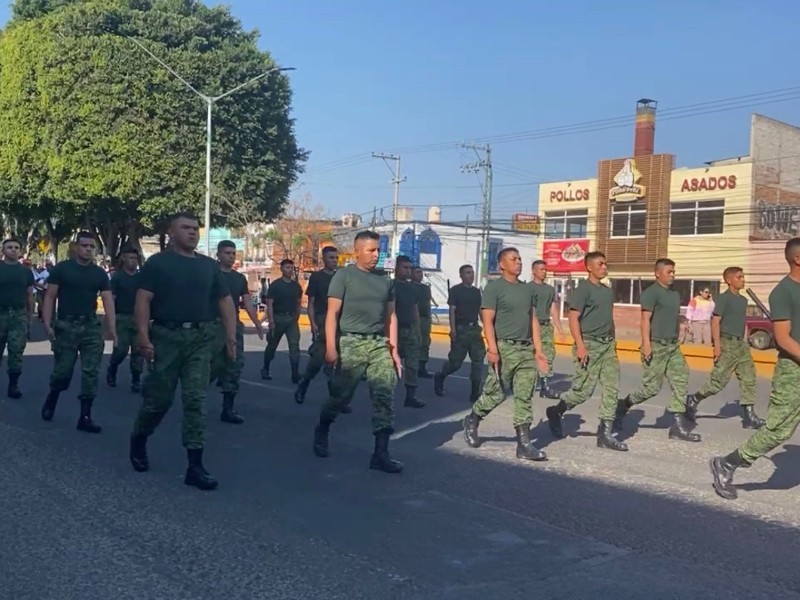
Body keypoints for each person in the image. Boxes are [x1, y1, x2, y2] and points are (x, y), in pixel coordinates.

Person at [129, 213, 236, 491]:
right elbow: (143, 300)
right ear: (172, 232)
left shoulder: (208, 266)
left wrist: (231, 338)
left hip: (201, 338)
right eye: (185, 228)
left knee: (196, 400)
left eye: (195, 229)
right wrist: (143, 337)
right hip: (166, 336)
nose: (192, 233)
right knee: (159, 400)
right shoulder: (158, 263)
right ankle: (140, 437)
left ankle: (195, 466)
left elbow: (224, 300)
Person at [710, 237, 800, 500]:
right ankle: (728, 463)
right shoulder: (783, 292)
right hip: (793, 369)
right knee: (779, 430)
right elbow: (783, 338)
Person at [312, 230, 403, 473]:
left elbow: (391, 316)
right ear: (357, 252)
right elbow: (332, 315)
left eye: (378, 250)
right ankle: (322, 428)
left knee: (385, 394)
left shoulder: (386, 281)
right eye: (371, 250)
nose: (376, 255)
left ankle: (380, 454)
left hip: (378, 344)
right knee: (341, 396)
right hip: (351, 342)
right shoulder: (344, 276)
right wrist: (331, 347)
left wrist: (393, 350)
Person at [462, 247, 549, 461]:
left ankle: (524, 445)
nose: (518, 262)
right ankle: (473, 419)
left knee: (524, 396)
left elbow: (533, 320)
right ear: (502, 264)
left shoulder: (528, 290)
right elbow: (487, 321)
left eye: (520, 258)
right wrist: (492, 348)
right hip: (504, 348)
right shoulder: (494, 288)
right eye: (514, 259)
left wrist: (539, 350)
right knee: (497, 393)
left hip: (526, 349)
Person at [545, 251, 627, 451]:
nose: (604, 267)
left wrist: (613, 340)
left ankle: (605, 434)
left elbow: (609, 319)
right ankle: (556, 411)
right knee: (583, 391)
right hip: (589, 344)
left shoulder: (607, 291)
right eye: (600, 264)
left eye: (605, 264)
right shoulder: (583, 289)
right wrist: (580, 346)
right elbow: (573, 318)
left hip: (607, 345)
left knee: (612, 387)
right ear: (589, 267)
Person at [614, 258, 700, 443]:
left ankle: (677, 425)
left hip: (672, 346)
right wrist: (646, 344)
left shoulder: (675, 294)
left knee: (681, 378)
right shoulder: (651, 293)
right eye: (669, 272)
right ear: (658, 273)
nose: (673, 275)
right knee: (651, 388)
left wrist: (683, 324)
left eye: (674, 272)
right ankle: (623, 405)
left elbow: (671, 315)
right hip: (656, 345)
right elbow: (645, 320)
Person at [41, 232, 117, 433]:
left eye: (92, 246)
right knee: (63, 372)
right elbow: (50, 297)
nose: (88, 249)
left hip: (91, 326)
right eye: (85, 246)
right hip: (66, 326)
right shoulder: (62, 269)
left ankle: (85, 416)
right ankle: (53, 396)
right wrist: (48, 323)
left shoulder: (99, 273)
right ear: (76, 247)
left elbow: (108, 300)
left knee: (91, 372)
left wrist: (112, 327)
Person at [686, 267, 765, 430]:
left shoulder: (743, 300)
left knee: (749, 379)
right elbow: (715, 322)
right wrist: (717, 346)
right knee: (717, 383)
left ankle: (749, 416)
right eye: (739, 277)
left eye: (743, 277)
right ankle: (693, 399)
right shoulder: (723, 299)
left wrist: (744, 341)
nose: (743, 279)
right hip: (726, 343)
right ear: (729, 280)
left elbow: (741, 323)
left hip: (740, 345)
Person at [210, 240, 264, 424]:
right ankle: (194, 403)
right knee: (210, 365)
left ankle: (228, 409)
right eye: (227, 253)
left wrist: (257, 323)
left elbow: (247, 301)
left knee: (235, 365)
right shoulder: (211, 274)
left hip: (234, 325)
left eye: (233, 253)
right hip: (213, 325)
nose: (231, 257)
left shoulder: (239, 278)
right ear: (218, 255)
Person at [433, 264, 485, 403]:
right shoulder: (456, 290)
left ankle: (475, 393)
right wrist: (453, 330)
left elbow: (480, 309)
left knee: (478, 361)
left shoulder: (476, 292)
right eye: (468, 273)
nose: (471, 275)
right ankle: (440, 376)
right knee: (455, 363)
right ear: (461, 275)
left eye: (472, 272)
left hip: (474, 330)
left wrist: (486, 325)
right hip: (461, 330)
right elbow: (452, 310)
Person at [295, 246, 339, 404]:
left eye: (336, 258)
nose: (334, 261)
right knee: (318, 360)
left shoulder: (341, 277)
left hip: (339, 322)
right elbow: (311, 303)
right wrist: (312, 323)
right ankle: (303, 385)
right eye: (331, 258)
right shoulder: (317, 277)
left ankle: (336, 399)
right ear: (324, 259)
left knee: (338, 363)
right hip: (322, 320)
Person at [0, 239, 35, 398]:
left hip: (18, 315)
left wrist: (30, 318)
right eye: (9, 247)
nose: (13, 250)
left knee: (16, 351)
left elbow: (29, 296)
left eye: (16, 248)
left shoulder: (26, 272)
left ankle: (13, 385)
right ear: (3, 250)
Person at [106, 245, 143, 393]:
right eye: (130, 258)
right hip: (122, 318)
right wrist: (111, 322)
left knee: (138, 351)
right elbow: (111, 300)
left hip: (138, 318)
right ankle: (112, 368)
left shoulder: (141, 278)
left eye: (135, 258)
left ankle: (136, 379)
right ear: (123, 259)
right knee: (120, 350)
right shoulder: (118, 278)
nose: (133, 261)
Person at [261, 259, 302, 382]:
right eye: (287, 267)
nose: (289, 270)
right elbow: (270, 303)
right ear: (282, 269)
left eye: (291, 267)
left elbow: (299, 303)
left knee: (294, 347)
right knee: (272, 346)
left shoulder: (296, 286)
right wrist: (272, 321)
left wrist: (297, 316)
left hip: (291, 320)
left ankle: (295, 373)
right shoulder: (276, 285)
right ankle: (266, 368)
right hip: (278, 318)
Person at [530, 260, 565, 400]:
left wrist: (559, 328)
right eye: (541, 269)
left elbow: (553, 309)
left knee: (549, 355)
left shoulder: (549, 290)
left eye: (545, 269)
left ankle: (545, 386)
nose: (544, 272)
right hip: (531, 326)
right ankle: (526, 385)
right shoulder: (527, 288)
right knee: (529, 356)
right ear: (534, 271)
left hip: (545, 326)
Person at [394, 256, 425, 408]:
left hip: (409, 330)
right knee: (389, 364)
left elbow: (415, 309)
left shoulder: (412, 288)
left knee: (412, 364)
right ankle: (383, 394)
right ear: (396, 268)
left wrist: (418, 330)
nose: (407, 271)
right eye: (404, 267)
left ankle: (411, 397)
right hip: (394, 331)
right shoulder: (390, 286)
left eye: (409, 268)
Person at [411, 266, 434, 378]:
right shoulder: (409, 286)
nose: (419, 274)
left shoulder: (426, 288)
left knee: (425, 343)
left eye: (421, 272)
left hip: (425, 319)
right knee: (412, 344)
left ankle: (422, 367)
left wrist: (429, 317)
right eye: (417, 272)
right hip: (413, 318)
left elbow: (428, 303)